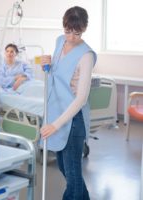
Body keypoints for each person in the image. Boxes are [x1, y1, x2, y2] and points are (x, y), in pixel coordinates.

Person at [40, 6, 96, 200]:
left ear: (84, 29)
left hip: (73, 118)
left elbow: (81, 98)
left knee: (73, 176)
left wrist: (55, 125)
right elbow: (56, 72)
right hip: (56, 110)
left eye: (77, 32)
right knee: (66, 169)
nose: (71, 37)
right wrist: (45, 64)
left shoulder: (86, 55)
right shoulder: (59, 41)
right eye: (68, 31)